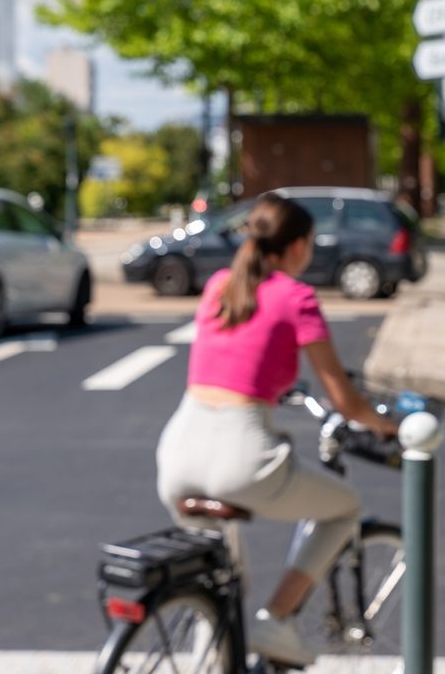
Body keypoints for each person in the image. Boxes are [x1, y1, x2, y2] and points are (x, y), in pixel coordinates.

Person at [156, 192, 399, 667]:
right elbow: (345, 401)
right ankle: (278, 618)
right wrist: (386, 426)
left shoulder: (221, 286)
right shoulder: (297, 297)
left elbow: (236, 360)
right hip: (239, 453)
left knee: (220, 583)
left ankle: (212, 657)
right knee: (345, 508)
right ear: (296, 247)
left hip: (179, 451)